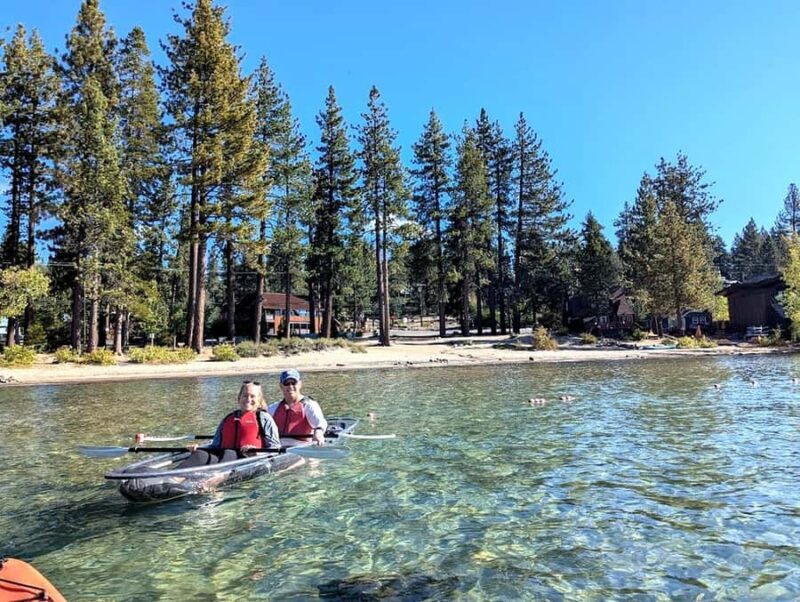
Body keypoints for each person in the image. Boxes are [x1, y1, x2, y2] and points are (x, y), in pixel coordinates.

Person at [180, 381, 281, 467]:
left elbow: (275, 447)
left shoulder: (264, 418)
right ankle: (170, 478)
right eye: (245, 395)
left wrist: (257, 452)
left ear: (259, 401)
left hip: (248, 460)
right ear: (239, 399)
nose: (248, 399)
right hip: (224, 458)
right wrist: (199, 447)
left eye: (252, 396)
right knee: (200, 454)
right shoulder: (228, 419)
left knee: (229, 453)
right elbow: (215, 445)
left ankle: (210, 482)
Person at [268, 369, 328, 446]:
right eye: (286, 383)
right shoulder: (273, 408)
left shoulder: (309, 405)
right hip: (278, 450)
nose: (290, 386)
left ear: (300, 384)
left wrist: (319, 432)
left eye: (293, 383)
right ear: (281, 386)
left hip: (302, 448)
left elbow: (320, 422)